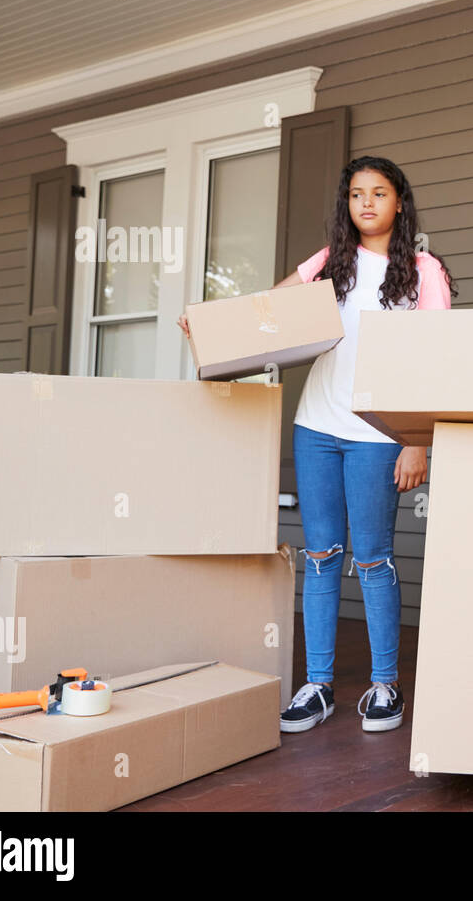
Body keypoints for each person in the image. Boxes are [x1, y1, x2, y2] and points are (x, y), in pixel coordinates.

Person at [181, 156, 456, 734]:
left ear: (399, 202)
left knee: (374, 558)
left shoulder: (425, 271)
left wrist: (417, 442)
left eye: (379, 193)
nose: (367, 204)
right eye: (357, 194)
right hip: (317, 428)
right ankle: (319, 685)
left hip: (379, 436)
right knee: (323, 554)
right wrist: (210, 327)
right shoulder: (332, 262)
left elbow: (436, 362)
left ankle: (385, 686)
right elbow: (267, 313)